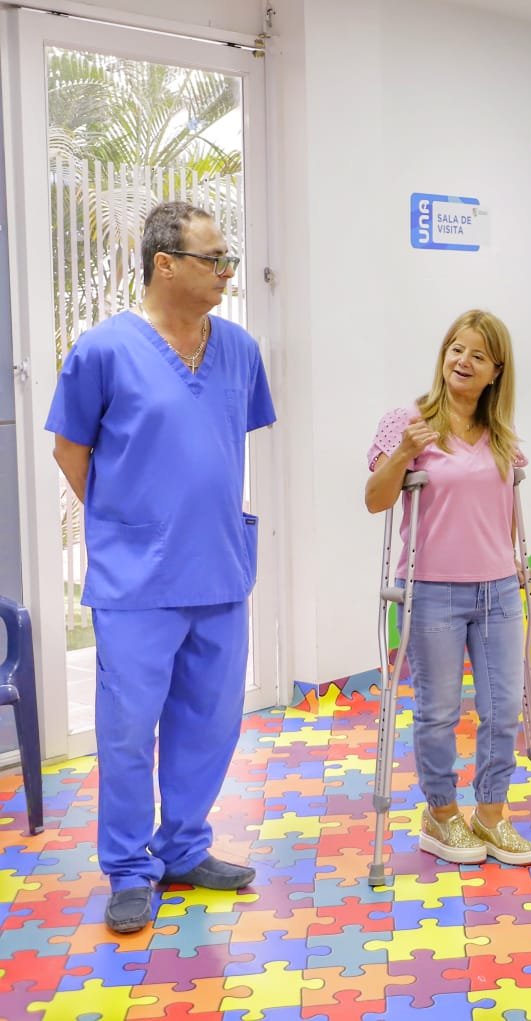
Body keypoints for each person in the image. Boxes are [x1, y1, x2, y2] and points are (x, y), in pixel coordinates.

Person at [46, 201, 275, 934]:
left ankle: (183, 847)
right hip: (137, 577)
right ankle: (127, 866)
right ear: (165, 264)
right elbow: (69, 448)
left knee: (210, 721)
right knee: (127, 729)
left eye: (228, 258)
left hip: (220, 566)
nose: (227, 271)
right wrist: (123, 517)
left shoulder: (239, 349)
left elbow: (215, 442)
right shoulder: (103, 351)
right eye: (214, 258)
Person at [364, 309, 531, 869]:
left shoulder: (500, 437)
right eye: (456, 349)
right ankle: (441, 814)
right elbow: (375, 500)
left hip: (498, 591)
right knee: (438, 711)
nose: (463, 361)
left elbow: (504, 513)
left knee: (503, 709)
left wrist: (510, 565)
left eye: (478, 355)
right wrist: (401, 453)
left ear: (496, 371)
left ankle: (490, 814)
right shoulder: (408, 422)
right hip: (431, 589)